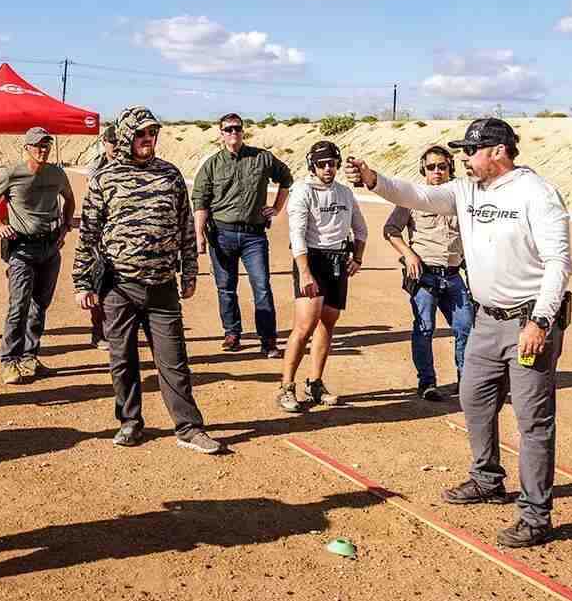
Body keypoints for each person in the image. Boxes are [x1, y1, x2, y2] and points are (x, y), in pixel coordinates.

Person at [346, 117, 572, 548]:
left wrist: (541, 320)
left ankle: (535, 515)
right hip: (486, 319)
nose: (463, 160)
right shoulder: (466, 190)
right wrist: (374, 180)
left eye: (471, 151)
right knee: (473, 398)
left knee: (533, 421)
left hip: (529, 322)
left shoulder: (537, 194)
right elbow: (416, 195)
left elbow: (558, 264)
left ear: (498, 152)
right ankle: (487, 479)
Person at [73, 106, 222, 455]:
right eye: (141, 134)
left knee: (173, 360)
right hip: (118, 287)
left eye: (152, 133)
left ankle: (189, 427)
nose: (148, 139)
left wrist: (190, 271)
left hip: (162, 287)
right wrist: (82, 282)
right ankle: (130, 422)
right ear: (126, 136)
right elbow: (89, 233)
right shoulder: (105, 178)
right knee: (122, 359)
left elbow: (186, 226)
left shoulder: (170, 175)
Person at [0, 127, 75, 385]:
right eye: (37, 146)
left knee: (40, 305)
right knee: (18, 305)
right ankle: (10, 361)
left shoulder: (57, 173)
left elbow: (70, 199)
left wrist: (65, 226)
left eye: (46, 145)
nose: (43, 150)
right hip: (21, 249)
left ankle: (30, 356)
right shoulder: (12, 174)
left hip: (50, 248)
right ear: (27, 148)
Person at [277, 141, 367, 412]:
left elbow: (360, 228)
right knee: (304, 326)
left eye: (332, 163)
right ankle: (286, 387)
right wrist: (304, 272)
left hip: (337, 260)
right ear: (312, 166)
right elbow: (297, 234)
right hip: (312, 260)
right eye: (322, 164)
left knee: (328, 323)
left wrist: (358, 258)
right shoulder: (302, 192)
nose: (328, 168)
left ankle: (315, 383)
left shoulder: (345, 193)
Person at [193, 113, 293, 358]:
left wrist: (277, 208)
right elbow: (200, 202)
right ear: (221, 133)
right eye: (228, 129)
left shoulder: (262, 158)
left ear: (243, 131)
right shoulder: (212, 165)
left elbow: (286, 179)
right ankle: (232, 333)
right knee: (226, 288)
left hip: (254, 236)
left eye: (237, 128)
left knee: (262, 286)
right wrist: (199, 236)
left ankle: (268, 341)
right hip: (221, 234)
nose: (233, 133)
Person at [383, 146, 473, 401]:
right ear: (423, 169)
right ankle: (427, 383)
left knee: (466, 326)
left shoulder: (461, 197)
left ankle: (466, 382)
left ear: (450, 168)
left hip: (454, 275)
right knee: (425, 328)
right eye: (431, 166)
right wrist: (408, 255)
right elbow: (390, 230)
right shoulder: (413, 197)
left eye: (442, 166)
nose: (437, 171)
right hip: (424, 276)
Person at [86, 123, 118, 350]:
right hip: (101, 235)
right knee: (99, 282)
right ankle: (98, 332)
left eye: (118, 141)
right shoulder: (96, 168)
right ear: (104, 143)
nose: (115, 146)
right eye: (111, 142)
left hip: (125, 236)